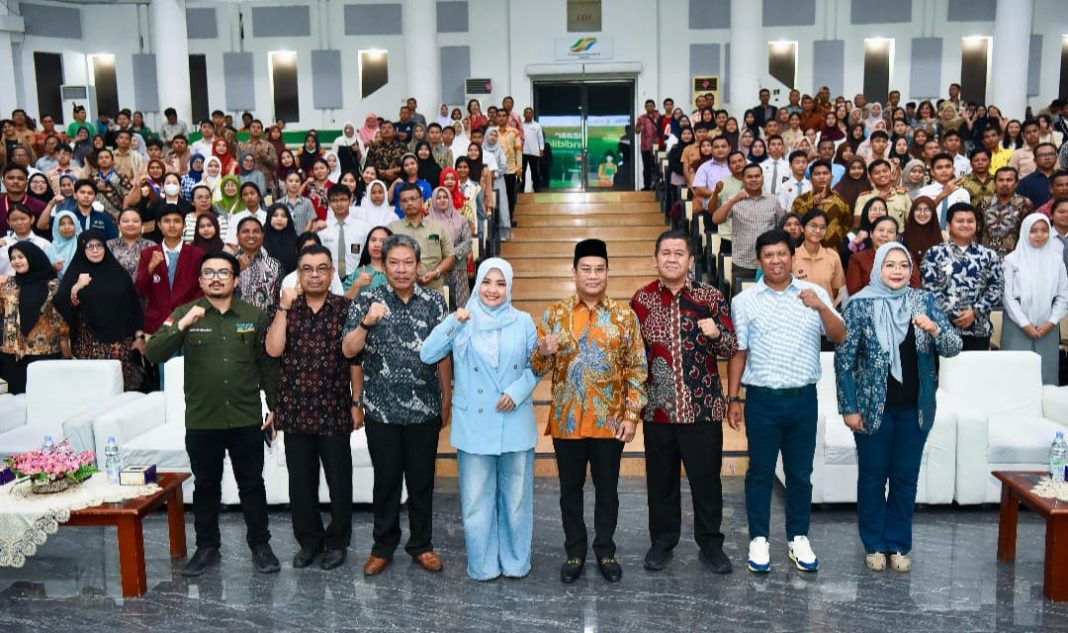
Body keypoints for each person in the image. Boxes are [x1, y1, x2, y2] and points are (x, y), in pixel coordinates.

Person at [146, 250, 280, 577]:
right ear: (200, 279)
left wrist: (277, 408)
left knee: (252, 483)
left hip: (246, 416)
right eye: (209, 273)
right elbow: (153, 353)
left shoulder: (254, 316)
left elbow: (268, 366)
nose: (216, 277)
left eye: (223, 272)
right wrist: (183, 325)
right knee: (206, 485)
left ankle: (260, 545)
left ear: (235, 280)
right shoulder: (185, 313)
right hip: (203, 419)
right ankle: (207, 547)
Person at [836, 242, 962, 573]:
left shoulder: (923, 301)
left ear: (911, 270)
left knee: (905, 479)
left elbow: (953, 347)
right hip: (871, 409)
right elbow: (844, 361)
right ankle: (874, 543)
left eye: (903, 265)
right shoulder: (860, 305)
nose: (896, 271)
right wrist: (849, 407)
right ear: (878, 268)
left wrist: (934, 329)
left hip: (915, 409)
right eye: (889, 265)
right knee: (873, 479)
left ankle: (898, 544)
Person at [727, 229, 845, 574]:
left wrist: (821, 306)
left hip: (803, 399)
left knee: (800, 474)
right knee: (760, 473)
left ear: (792, 257)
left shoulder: (815, 293)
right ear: (758, 261)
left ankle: (798, 537)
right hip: (762, 400)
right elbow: (739, 351)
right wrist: (733, 397)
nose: (776, 261)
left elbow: (839, 336)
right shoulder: (744, 301)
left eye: (782, 254)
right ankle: (759, 539)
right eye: (769, 256)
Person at [530, 239, 647, 584]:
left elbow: (637, 368)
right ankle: (575, 551)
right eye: (586, 269)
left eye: (599, 269)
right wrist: (542, 350)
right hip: (567, 419)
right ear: (574, 272)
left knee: (607, 489)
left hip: (609, 421)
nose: (593, 276)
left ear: (608, 272)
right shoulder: (555, 313)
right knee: (570, 490)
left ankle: (605, 549)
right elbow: (536, 367)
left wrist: (630, 414)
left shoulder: (624, 316)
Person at [420, 258, 538, 580]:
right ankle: (483, 565)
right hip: (474, 425)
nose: (493, 290)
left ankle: (516, 562)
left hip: (514, 420)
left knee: (516, 500)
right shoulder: (462, 320)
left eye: (500, 284)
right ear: (477, 284)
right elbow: (427, 354)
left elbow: (537, 364)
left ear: (509, 287)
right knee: (476, 502)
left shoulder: (524, 321)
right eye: (487, 282)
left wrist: (518, 390)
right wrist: (453, 322)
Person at [342, 234, 451, 577]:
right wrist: (365, 322)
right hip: (381, 409)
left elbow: (445, 354)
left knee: (421, 482)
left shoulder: (435, 302)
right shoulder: (367, 299)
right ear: (384, 265)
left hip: (424, 409)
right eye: (395, 263)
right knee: (386, 481)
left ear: (419, 266)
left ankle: (422, 545)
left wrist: (446, 396)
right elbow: (348, 351)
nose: (402, 269)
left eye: (408, 263)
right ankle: (382, 546)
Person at [630, 230, 736, 574]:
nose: (672, 258)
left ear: (691, 260)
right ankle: (662, 541)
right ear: (655, 259)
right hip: (658, 410)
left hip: (702, 409)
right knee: (661, 483)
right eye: (666, 252)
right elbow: (633, 356)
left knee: (706, 483)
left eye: (679, 253)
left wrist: (716, 334)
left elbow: (731, 348)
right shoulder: (641, 300)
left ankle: (710, 544)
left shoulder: (711, 297)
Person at [265, 245, 355, 571]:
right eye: (307, 269)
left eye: (321, 268)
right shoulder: (287, 307)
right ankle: (309, 543)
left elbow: (356, 360)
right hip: (295, 410)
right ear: (298, 275)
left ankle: (337, 542)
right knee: (301, 484)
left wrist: (356, 403)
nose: (314, 274)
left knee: (339, 482)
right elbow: (274, 350)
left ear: (332, 273)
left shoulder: (346, 308)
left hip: (333, 409)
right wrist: (283, 308)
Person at [55, 230, 144, 390]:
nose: (95, 250)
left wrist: (139, 336)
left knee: (119, 388)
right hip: (89, 344)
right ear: (82, 249)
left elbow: (134, 305)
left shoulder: (119, 273)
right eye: (90, 246)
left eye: (99, 246)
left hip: (120, 344)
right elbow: (62, 303)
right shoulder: (76, 273)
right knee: (92, 389)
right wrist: (76, 288)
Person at [920, 203, 1003, 351]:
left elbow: (996, 288)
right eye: (960, 221)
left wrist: (975, 312)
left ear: (976, 225)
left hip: (978, 330)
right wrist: (953, 314)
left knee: (976, 374)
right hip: (942, 329)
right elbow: (929, 289)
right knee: (944, 373)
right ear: (949, 225)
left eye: (970, 221)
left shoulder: (988, 255)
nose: (965, 225)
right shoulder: (934, 254)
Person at [1001, 214, 1068, 384]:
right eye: (1033, 231)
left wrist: (1051, 322)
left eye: (1044, 230)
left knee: (1045, 375)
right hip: (1017, 326)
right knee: (1015, 376)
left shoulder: (1056, 261)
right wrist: (1025, 324)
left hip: (1048, 327)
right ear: (1024, 232)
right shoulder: (1011, 261)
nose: (1039, 235)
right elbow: (1007, 296)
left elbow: (1063, 295)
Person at [0, 242, 70, 393]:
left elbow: (61, 321)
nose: (16, 261)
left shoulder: (53, 285)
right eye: (13, 258)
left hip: (44, 353)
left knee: (43, 399)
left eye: (21, 257)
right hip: (11, 354)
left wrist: (66, 351)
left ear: (33, 258)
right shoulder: (6, 285)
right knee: (14, 404)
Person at [135, 205, 204, 334]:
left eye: (177, 221)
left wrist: (189, 312)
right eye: (167, 221)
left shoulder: (197, 254)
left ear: (184, 225)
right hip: (156, 324)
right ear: (159, 225)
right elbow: (141, 290)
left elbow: (202, 288)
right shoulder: (148, 253)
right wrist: (150, 268)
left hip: (188, 321)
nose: (172, 225)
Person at [711, 164, 785, 283]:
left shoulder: (773, 200)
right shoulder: (734, 199)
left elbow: (780, 227)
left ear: (762, 178)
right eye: (749, 177)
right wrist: (733, 201)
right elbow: (715, 219)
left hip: (769, 261)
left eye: (757, 176)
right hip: (743, 262)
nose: (754, 179)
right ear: (743, 179)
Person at [389, 183, 455, 295]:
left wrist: (436, 273)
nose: (409, 203)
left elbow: (450, 257)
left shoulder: (437, 228)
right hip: (400, 294)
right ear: (400, 205)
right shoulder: (391, 229)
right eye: (404, 200)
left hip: (433, 292)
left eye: (413, 199)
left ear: (422, 200)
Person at [846, 216, 920, 295]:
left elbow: (915, 287)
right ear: (871, 233)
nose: (885, 234)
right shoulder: (858, 259)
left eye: (890, 231)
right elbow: (854, 292)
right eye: (881, 230)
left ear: (896, 237)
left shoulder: (906, 257)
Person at [427, 186, 472, 308]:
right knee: (440, 305)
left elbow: (467, 241)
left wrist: (450, 255)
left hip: (458, 267)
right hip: (436, 268)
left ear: (450, 199)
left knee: (461, 305)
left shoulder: (461, 219)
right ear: (433, 201)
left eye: (445, 197)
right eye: (438, 197)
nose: (442, 200)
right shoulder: (426, 222)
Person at [791, 160, 851, 251]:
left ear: (831, 177)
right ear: (810, 179)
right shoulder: (801, 200)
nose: (822, 177)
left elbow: (847, 227)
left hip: (833, 253)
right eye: (817, 174)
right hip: (806, 253)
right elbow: (794, 222)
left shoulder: (841, 201)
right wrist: (812, 204)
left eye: (825, 173)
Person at [977, 167, 1033, 258]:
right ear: (994, 183)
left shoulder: (1024, 204)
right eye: (1001, 180)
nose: (1004, 183)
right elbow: (977, 231)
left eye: (1009, 180)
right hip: (986, 257)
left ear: (1016, 184)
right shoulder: (984, 203)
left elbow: (1028, 233)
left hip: (1015, 258)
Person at [792, 210, 846, 303]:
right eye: (813, 226)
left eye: (822, 227)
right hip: (799, 314)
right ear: (802, 228)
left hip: (826, 313)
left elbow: (835, 291)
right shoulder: (792, 257)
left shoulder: (832, 256)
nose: (818, 231)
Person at [234, 217, 282, 312]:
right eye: (245, 231)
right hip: (234, 322)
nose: (251, 235)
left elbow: (280, 299)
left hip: (267, 323)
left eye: (256, 231)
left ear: (262, 236)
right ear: (237, 236)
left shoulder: (275, 265)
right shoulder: (226, 264)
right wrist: (235, 269)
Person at [345, 226, 392, 296]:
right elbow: (341, 303)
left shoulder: (398, 272)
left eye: (383, 241)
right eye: (373, 240)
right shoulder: (357, 273)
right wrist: (356, 285)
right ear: (367, 244)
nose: (377, 245)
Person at [902, 197, 943, 269]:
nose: (922, 214)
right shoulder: (903, 236)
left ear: (933, 212)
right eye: (918, 209)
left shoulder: (943, 236)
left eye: (927, 210)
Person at [263, 203, 299, 275]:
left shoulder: (297, 241)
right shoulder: (260, 240)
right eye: (275, 215)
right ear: (269, 217)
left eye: (283, 216)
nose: (279, 219)